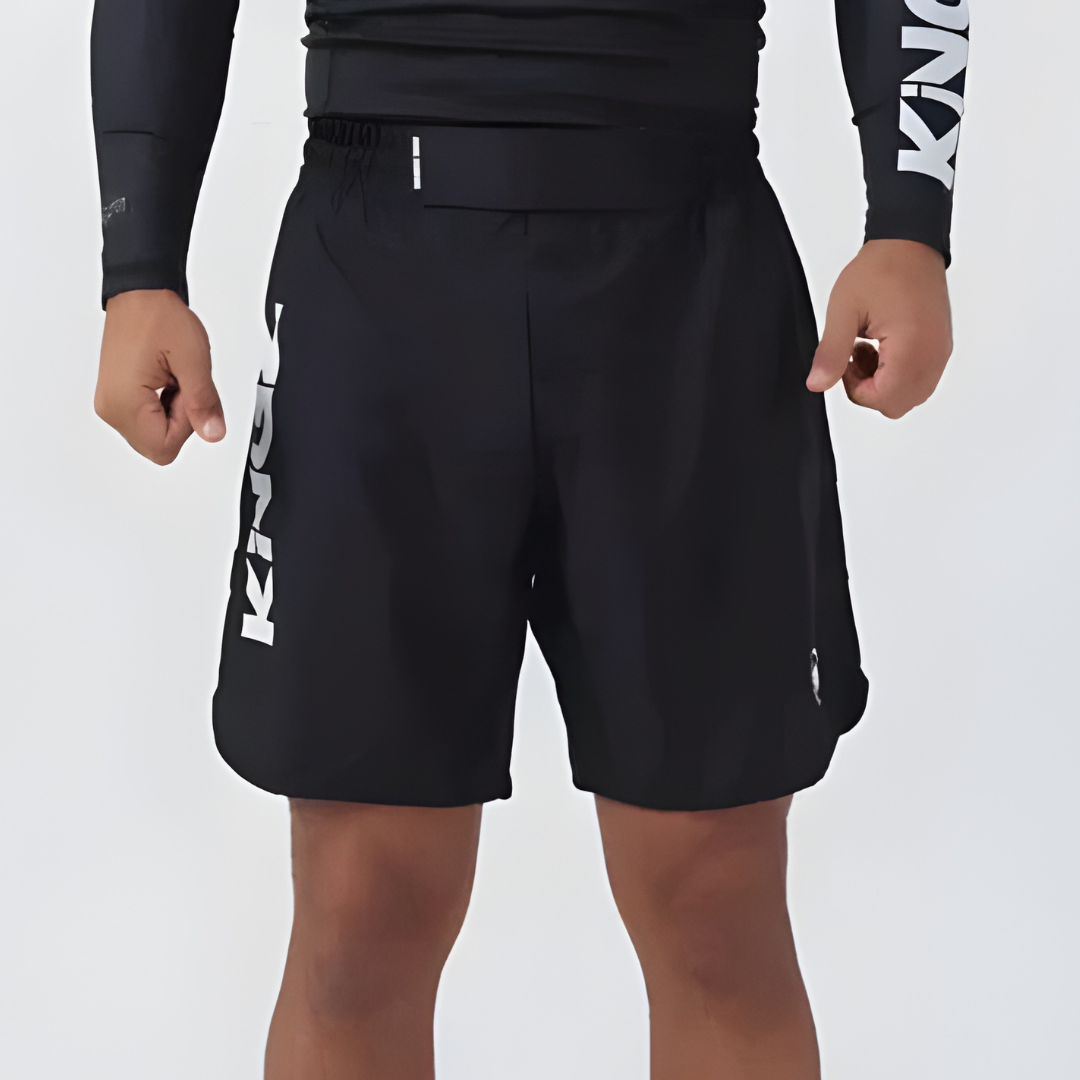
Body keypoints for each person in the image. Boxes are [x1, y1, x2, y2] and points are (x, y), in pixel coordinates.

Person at [89, 0, 967, 1076]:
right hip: (377, 276)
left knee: (714, 901)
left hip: (687, 264)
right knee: (359, 911)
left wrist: (910, 219)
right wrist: (139, 265)